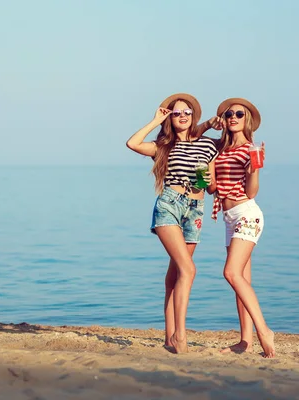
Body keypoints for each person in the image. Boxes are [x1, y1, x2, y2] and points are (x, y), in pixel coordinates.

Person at [126, 93, 219, 353]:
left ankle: (169, 337)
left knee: (176, 275)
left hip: (196, 209)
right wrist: (156, 120)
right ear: (170, 116)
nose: (182, 116)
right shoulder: (163, 145)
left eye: (187, 112)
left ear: (193, 116)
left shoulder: (209, 146)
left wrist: (208, 178)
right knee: (189, 271)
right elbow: (132, 143)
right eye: (176, 112)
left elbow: (209, 188)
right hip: (169, 205)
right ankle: (180, 336)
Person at [206, 98, 276, 358]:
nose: (233, 117)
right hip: (229, 217)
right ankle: (245, 341)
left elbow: (251, 191)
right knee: (241, 281)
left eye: (238, 113)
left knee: (231, 273)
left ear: (247, 120)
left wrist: (255, 169)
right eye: (228, 114)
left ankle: (264, 331)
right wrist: (206, 174)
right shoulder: (218, 149)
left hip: (247, 214)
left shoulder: (250, 149)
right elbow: (213, 189)